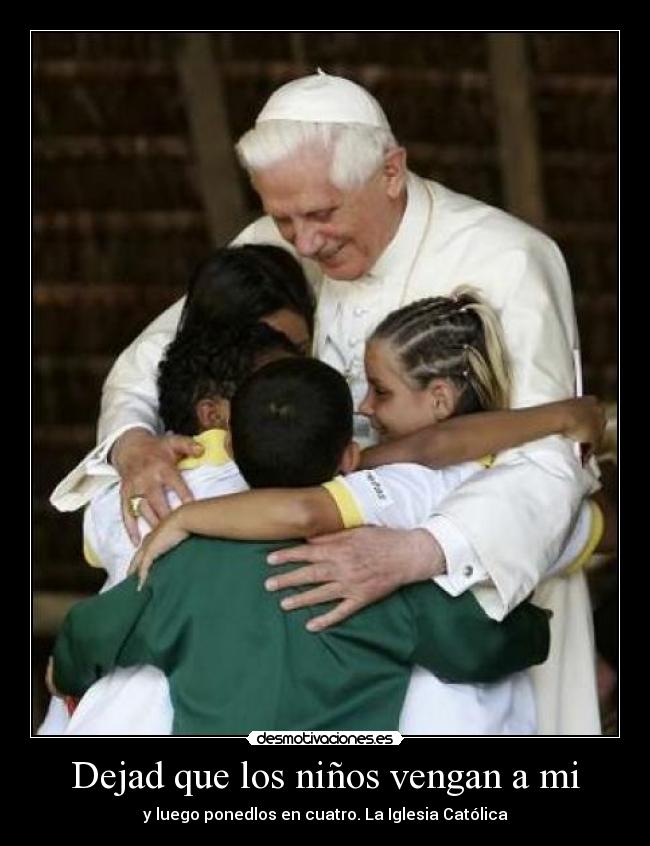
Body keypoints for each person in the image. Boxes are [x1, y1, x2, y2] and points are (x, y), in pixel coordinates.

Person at [50, 72, 600, 734]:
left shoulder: (510, 257)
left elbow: (548, 465)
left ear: (391, 171)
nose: (302, 244)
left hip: (468, 584)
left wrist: (419, 550)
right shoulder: (272, 241)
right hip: (281, 600)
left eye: (321, 215)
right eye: (284, 219)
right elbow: (150, 362)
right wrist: (133, 445)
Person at [51, 344, 596, 734]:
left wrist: (62, 673)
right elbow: (487, 645)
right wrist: (529, 626)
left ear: (232, 451)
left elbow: (88, 635)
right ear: (348, 460)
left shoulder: (178, 570)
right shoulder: (369, 571)